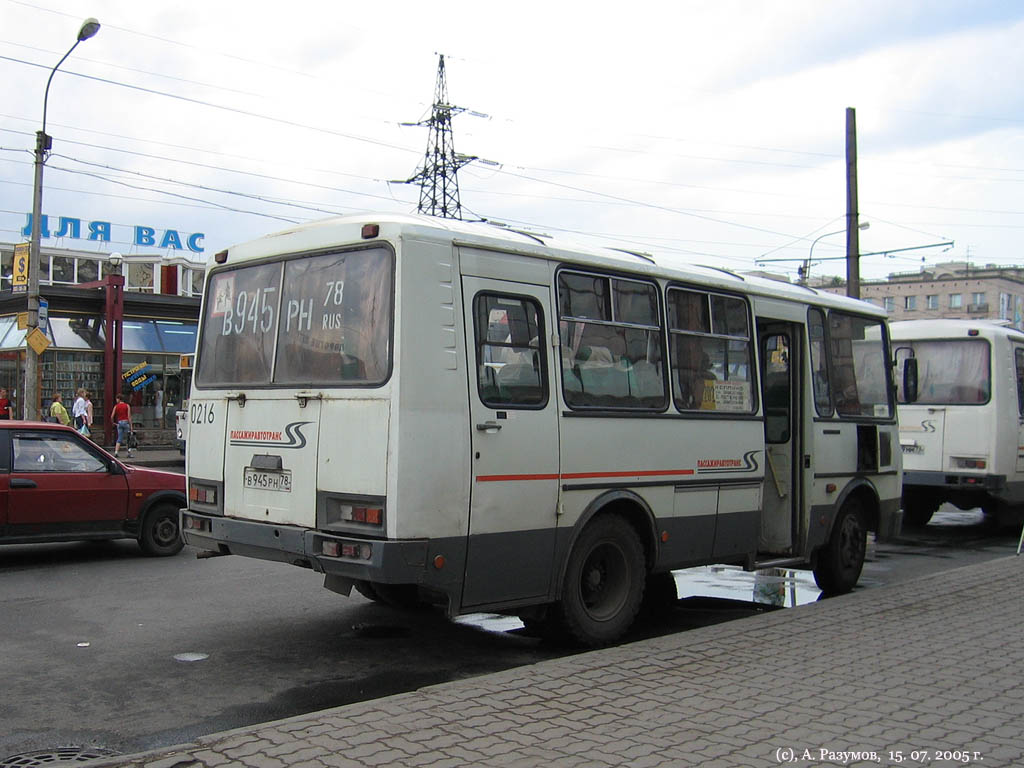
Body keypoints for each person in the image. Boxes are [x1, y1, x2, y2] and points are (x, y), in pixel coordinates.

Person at [111, 393, 133, 457]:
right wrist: (131, 426)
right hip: (126, 422)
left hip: (119, 423)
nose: (116, 400)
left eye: (116, 399)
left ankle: (116, 452)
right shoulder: (127, 406)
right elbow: (129, 416)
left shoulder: (116, 406)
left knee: (119, 438)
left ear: (118, 399)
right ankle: (128, 453)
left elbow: (112, 416)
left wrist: (113, 422)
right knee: (128, 438)